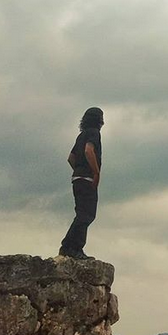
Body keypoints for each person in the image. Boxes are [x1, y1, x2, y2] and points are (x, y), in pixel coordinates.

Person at [59, 107, 104, 260]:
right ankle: (73, 247)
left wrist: (79, 170)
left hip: (77, 179)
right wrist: (95, 172)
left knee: (81, 214)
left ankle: (67, 246)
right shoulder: (94, 133)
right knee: (87, 215)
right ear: (99, 120)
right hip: (87, 179)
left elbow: (71, 158)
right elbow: (88, 151)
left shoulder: (81, 135)